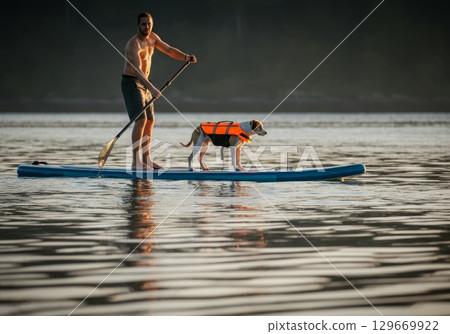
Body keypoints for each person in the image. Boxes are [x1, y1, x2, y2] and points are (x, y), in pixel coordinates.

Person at [122, 12, 197, 169]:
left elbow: (169, 50)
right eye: (144, 24)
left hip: (146, 83)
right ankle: (136, 162)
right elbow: (137, 71)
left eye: (149, 24)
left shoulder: (153, 37)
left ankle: (146, 159)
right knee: (140, 120)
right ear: (138, 25)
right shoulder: (133, 44)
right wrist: (153, 88)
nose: (147, 27)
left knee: (150, 120)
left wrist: (186, 56)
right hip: (132, 83)